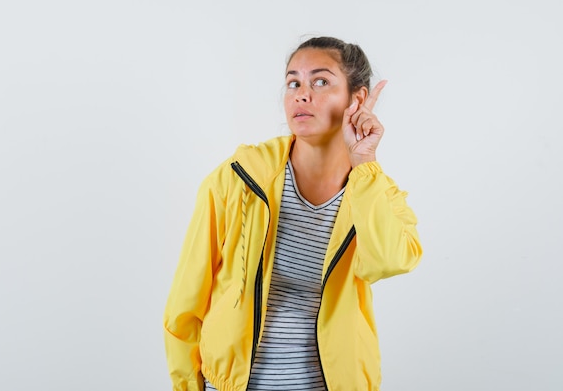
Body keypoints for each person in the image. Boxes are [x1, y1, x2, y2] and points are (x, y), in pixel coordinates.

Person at [163, 36, 423, 391]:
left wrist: (365, 164)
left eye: (321, 81)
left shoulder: (374, 190)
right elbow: (186, 300)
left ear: (357, 99)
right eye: (293, 83)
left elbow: (387, 262)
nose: (302, 94)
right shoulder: (238, 177)